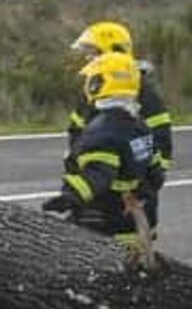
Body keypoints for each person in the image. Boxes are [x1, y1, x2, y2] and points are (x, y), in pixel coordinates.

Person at [41, 50, 156, 309]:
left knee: (88, 291)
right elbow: (154, 171)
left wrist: (67, 198)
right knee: (122, 293)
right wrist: (141, 193)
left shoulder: (103, 129)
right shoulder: (138, 124)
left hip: (99, 220)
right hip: (128, 220)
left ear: (100, 84)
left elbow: (98, 177)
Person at [67, 21, 172, 224]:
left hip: (129, 204)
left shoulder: (142, 95)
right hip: (95, 193)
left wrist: (142, 191)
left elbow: (160, 148)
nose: (88, 58)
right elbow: (76, 135)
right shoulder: (94, 91)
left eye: (93, 52)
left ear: (113, 51)